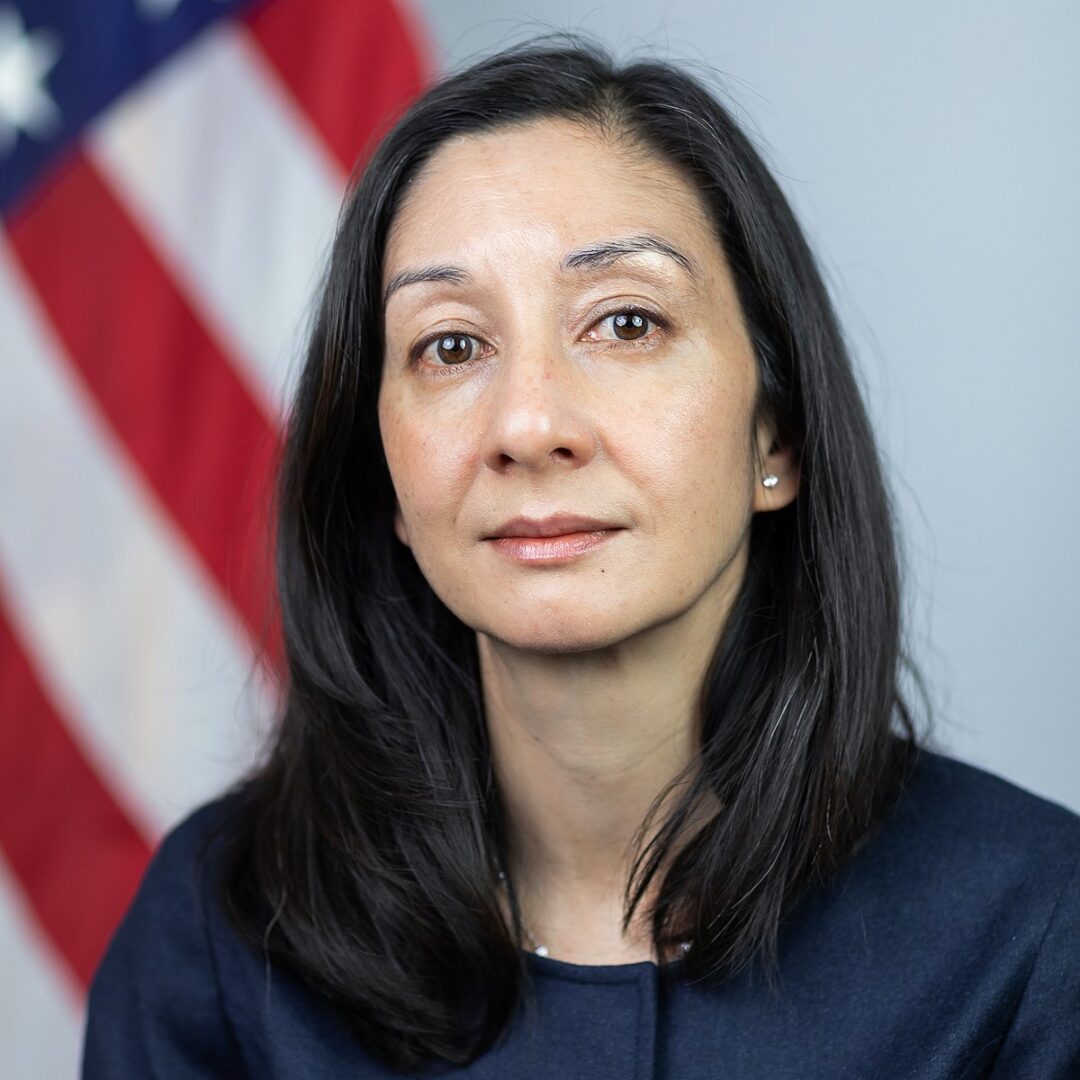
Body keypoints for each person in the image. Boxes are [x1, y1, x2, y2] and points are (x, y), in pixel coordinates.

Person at [81, 37, 1080, 1079]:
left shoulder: (1033, 937)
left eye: (627, 322)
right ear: (387, 484)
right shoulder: (221, 935)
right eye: (451, 346)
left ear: (776, 440)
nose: (529, 425)